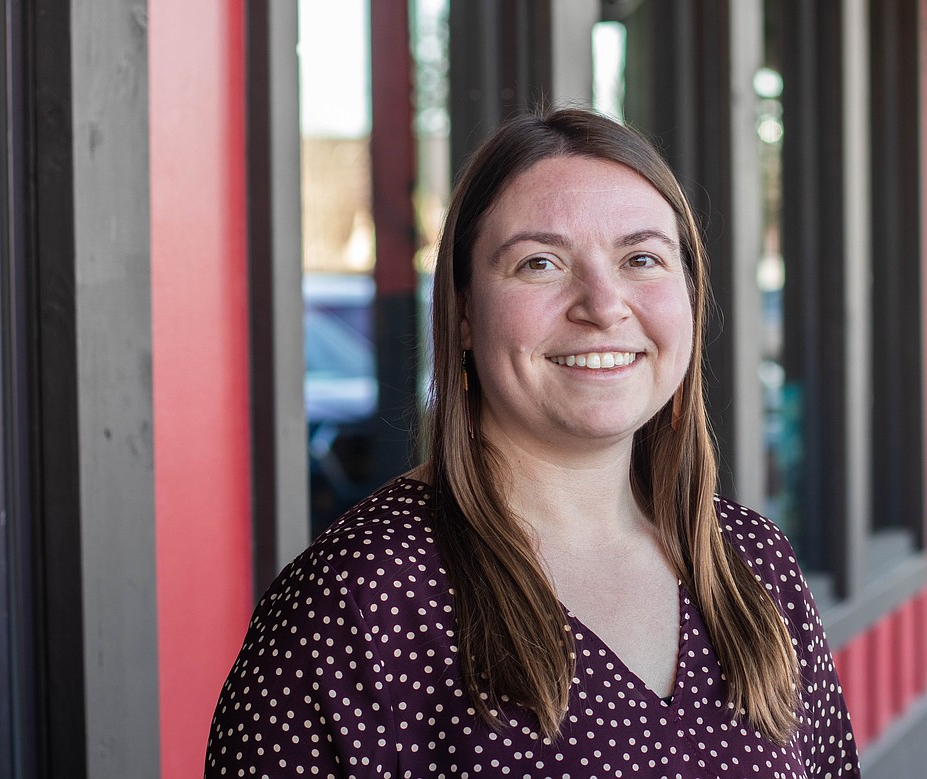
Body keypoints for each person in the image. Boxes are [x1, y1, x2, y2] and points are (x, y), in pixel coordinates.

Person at [206, 108, 860, 778]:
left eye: (641, 258)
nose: (603, 305)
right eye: (540, 263)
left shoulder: (751, 560)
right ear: (463, 313)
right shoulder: (359, 600)